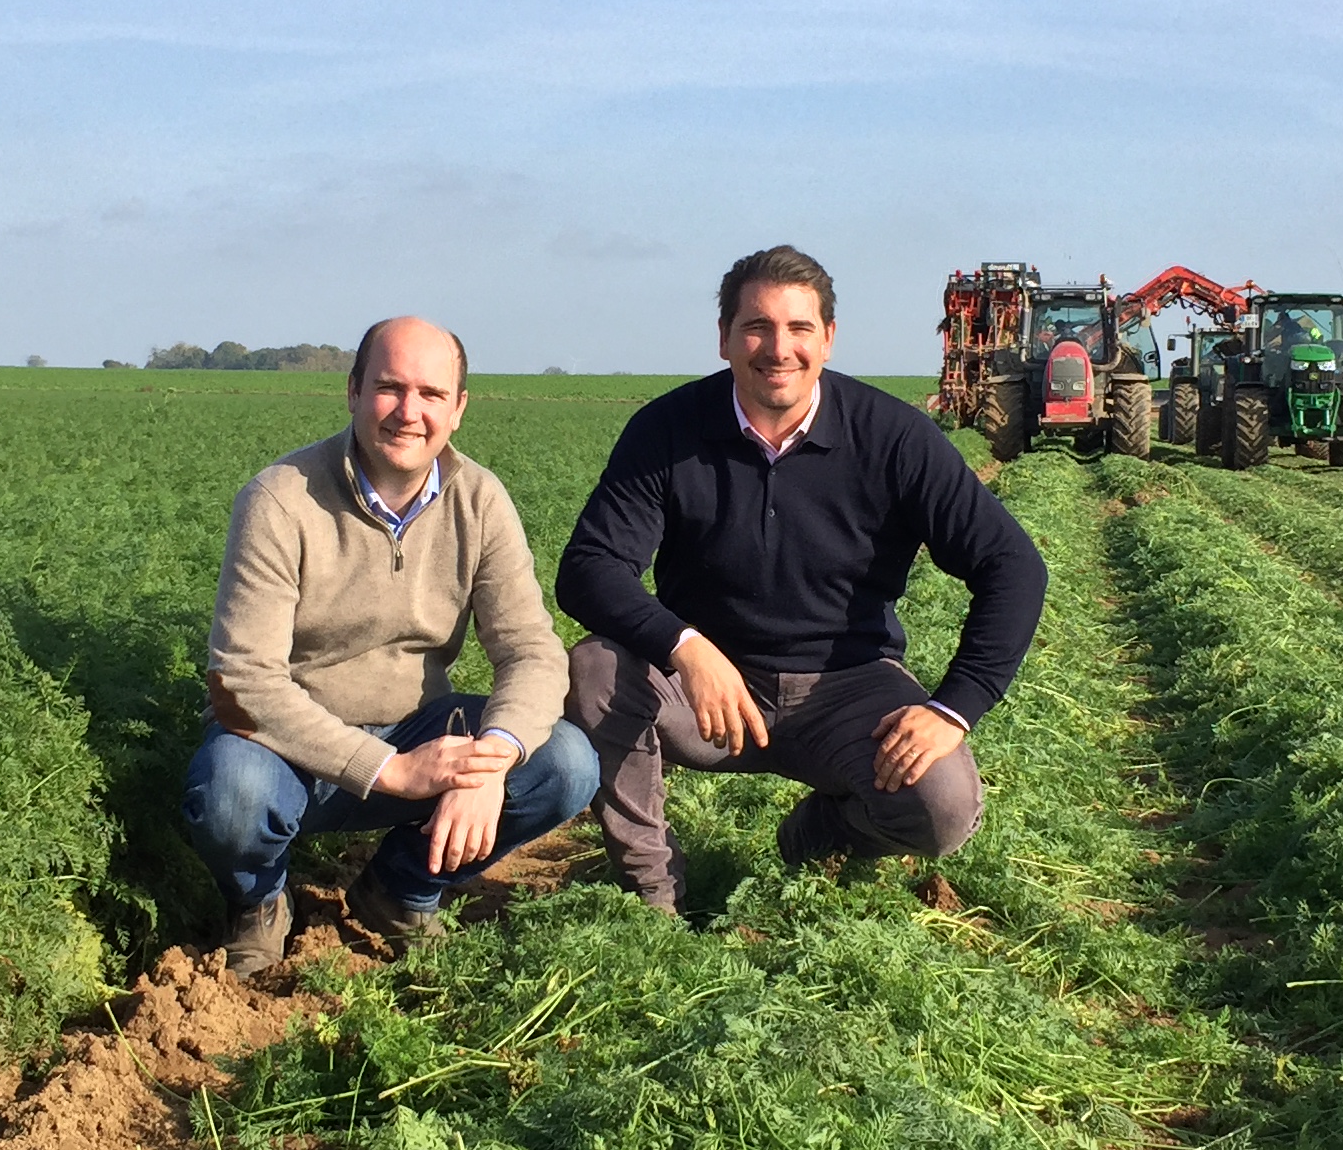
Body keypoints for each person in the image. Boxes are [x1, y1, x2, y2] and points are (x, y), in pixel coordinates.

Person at [556, 245, 1048, 913]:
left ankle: (818, 836)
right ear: (725, 338)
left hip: (847, 686)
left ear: (829, 338)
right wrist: (686, 646)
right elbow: (589, 568)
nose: (777, 348)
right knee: (595, 669)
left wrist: (954, 707)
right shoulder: (669, 431)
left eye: (799, 328)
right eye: (756, 326)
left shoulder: (893, 437)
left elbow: (1011, 565)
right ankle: (652, 896)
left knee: (944, 806)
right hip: (706, 693)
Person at [185, 317, 600, 975]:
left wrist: (491, 760)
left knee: (566, 762)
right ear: (352, 392)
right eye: (389, 388)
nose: (409, 412)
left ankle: (400, 889)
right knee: (231, 793)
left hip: (416, 729)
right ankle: (258, 902)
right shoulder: (280, 499)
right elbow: (244, 681)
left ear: (458, 408)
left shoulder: (480, 501)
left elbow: (532, 650)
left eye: (432, 394)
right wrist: (390, 770)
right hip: (290, 754)